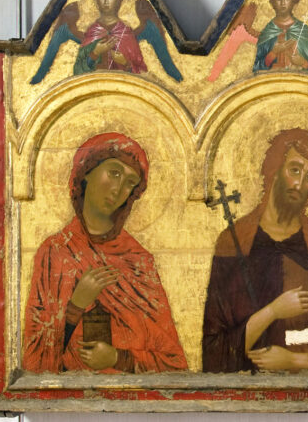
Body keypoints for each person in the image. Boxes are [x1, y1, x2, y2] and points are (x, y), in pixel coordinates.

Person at [201, 128, 308, 372]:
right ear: (275, 169)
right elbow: (213, 354)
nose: (300, 184)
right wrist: (273, 311)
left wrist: (294, 361)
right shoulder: (235, 242)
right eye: (295, 170)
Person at [22, 133, 186, 373]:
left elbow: (174, 363)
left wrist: (118, 358)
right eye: (114, 173)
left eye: (130, 182)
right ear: (87, 171)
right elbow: (35, 362)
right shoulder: (55, 252)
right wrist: (76, 306)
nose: (119, 189)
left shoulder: (139, 261)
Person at [73, 0, 147, 75]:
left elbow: (142, 74)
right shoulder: (92, 32)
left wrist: (125, 63)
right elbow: (77, 71)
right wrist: (95, 53)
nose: (106, 1)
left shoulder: (126, 33)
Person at [253, 0, 308, 73]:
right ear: (273, 2)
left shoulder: (302, 30)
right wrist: (273, 53)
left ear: (294, 0)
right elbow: (256, 69)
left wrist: (303, 62)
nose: (283, 2)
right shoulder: (268, 31)